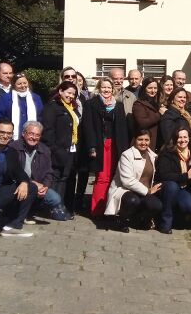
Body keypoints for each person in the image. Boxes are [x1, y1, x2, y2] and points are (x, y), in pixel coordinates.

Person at [80, 77, 130, 217]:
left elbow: (122, 129)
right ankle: (97, 210)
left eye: (109, 88)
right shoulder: (91, 104)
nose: (106, 90)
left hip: (115, 146)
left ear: (113, 89)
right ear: (99, 88)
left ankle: (111, 209)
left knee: (114, 177)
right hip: (100, 145)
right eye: (104, 87)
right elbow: (88, 127)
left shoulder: (118, 105)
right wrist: (91, 147)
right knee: (102, 177)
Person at [10, 121, 71, 221]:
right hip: (18, 183)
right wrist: (31, 183)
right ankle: (13, 213)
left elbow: (49, 172)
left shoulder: (45, 150)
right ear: (23, 133)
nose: (34, 137)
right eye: (31, 134)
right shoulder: (14, 148)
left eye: (37, 135)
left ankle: (31, 210)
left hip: (38, 186)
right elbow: (11, 171)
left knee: (55, 199)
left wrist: (45, 186)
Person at [103, 130, 161, 232]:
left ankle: (139, 219)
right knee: (133, 201)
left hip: (143, 191)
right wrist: (147, 191)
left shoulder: (153, 156)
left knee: (156, 205)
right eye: (140, 139)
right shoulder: (126, 155)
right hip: (125, 190)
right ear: (134, 140)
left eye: (146, 140)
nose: (143, 143)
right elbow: (127, 181)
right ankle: (122, 221)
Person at [40, 81, 81, 212]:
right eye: (69, 92)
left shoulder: (72, 108)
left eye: (74, 94)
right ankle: (52, 207)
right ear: (60, 92)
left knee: (64, 178)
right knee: (55, 178)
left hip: (70, 149)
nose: (71, 96)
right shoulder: (52, 107)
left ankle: (59, 206)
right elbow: (48, 130)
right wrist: (54, 148)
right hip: (57, 149)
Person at [154, 127, 191, 234]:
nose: (182, 140)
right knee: (172, 186)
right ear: (175, 139)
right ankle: (165, 223)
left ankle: (177, 219)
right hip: (166, 186)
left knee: (190, 206)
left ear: (189, 138)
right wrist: (185, 176)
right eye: (179, 137)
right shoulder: (167, 152)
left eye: (185, 137)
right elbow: (164, 174)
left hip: (183, 188)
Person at [0, 72, 44, 141]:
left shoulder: (36, 98)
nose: (23, 86)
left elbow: (41, 116)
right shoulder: (6, 98)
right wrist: (3, 129)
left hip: (31, 138)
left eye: (25, 83)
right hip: (10, 138)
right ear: (14, 85)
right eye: (19, 84)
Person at [160, 87, 191, 152]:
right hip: (175, 151)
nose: (182, 99)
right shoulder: (169, 115)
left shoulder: (187, 115)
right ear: (172, 99)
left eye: (184, 97)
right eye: (180, 97)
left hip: (188, 149)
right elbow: (168, 137)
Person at [132, 77, 163, 150]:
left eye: (155, 88)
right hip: (144, 142)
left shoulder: (157, 103)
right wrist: (159, 114)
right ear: (144, 88)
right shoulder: (138, 104)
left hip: (157, 143)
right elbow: (142, 123)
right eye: (150, 88)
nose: (153, 91)